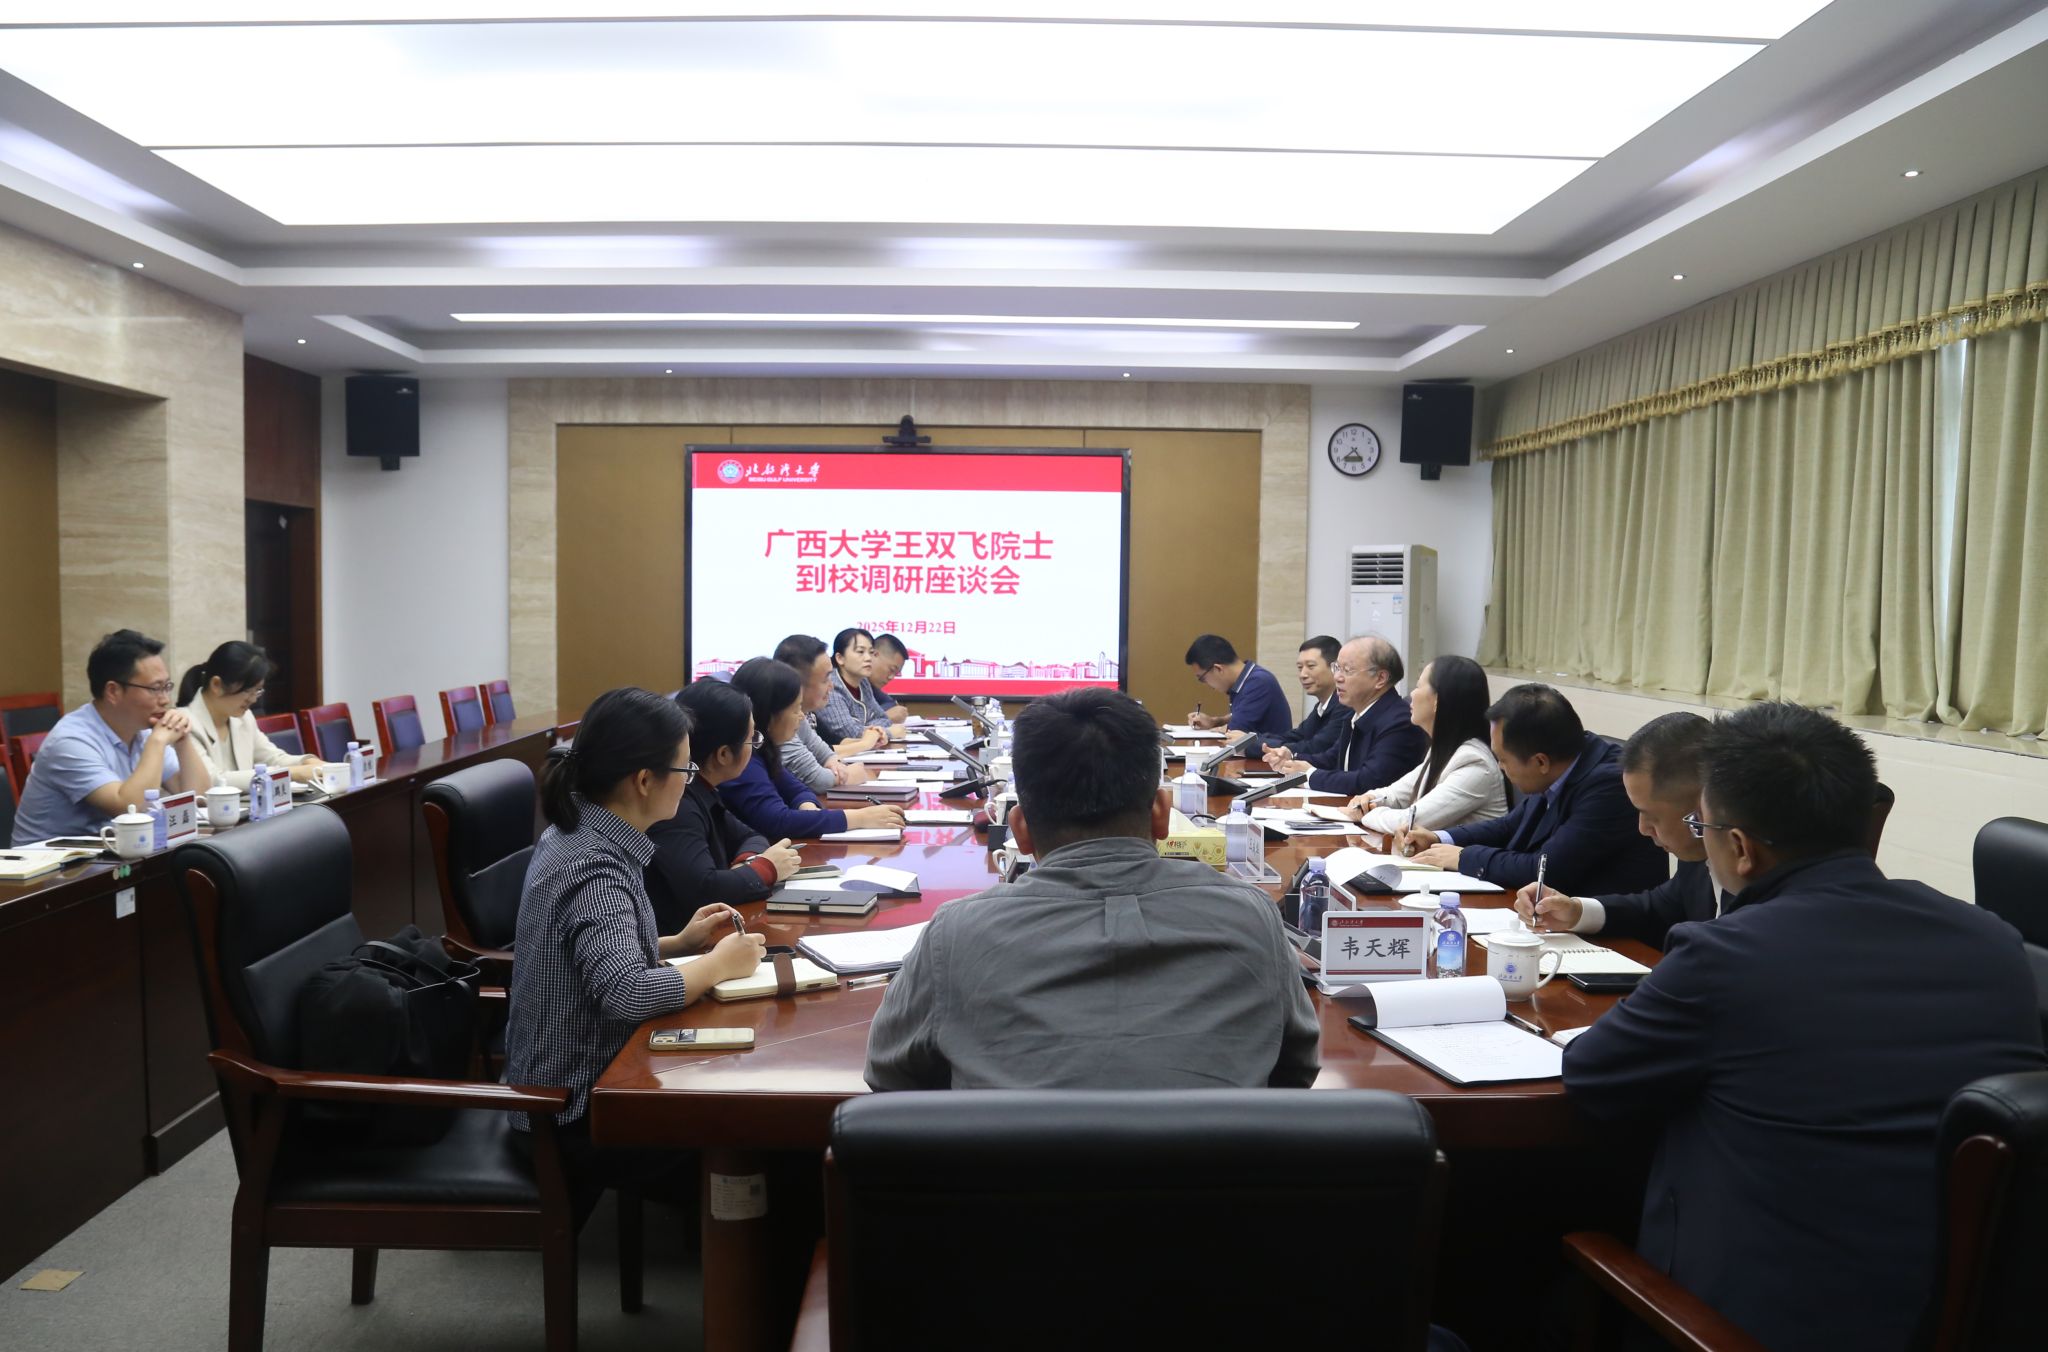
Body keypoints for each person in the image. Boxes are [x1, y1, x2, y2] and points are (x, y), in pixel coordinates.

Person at [1563, 702, 2045, 1351]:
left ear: (1739, 848)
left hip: (1749, 1325)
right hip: (1952, 1313)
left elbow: (1591, 1076)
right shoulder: (1995, 941)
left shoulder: (1723, 955)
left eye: (1702, 826)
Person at [865, 687, 1320, 1091]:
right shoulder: (1250, 917)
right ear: (1162, 813)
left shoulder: (956, 935)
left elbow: (891, 1076)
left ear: (1019, 830)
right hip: (1208, 1163)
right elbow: (1294, 1070)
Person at [503, 687, 766, 1189]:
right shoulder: (594, 865)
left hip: (597, 1079)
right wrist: (718, 965)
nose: (690, 780)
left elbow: (589, 955)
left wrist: (678, 944)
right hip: (576, 1111)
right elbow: (628, 993)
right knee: (755, 1140)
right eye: (685, 769)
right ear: (644, 780)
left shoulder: (584, 831)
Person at [1395, 683, 1666, 895]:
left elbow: (1545, 868)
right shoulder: (1564, 761)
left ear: (1540, 762)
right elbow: (1509, 826)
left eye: (1502, 759)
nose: (1499, 767)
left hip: (1613, 937)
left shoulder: (1609, 786)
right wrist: (1439, 838)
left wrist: (1464, 857)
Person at [1514, 712, 1719, 948]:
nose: (1643, 828)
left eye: (1652, 816)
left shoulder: (1747, 870)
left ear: (1700, 808)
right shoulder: (1695, 854)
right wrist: (1576, 911)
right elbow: (1659, 906)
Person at [12, 628, 210, 845]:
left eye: (167, 687)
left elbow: (198, 799)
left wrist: (182, 741)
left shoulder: (143, 730)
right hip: (52, 861)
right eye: (155, 689)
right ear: (113, 691)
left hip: (114, 851)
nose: (165, 700)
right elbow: (130, 809)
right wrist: (157, 743)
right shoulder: (71, 741)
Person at [645, 680, 803, 930]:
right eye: (752, 739)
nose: (756, 747)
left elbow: (750, 836)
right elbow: (703, 889)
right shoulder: (677, 804)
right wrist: (766, 868)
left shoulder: (703, 789)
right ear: (724, 754)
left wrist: (748, 862)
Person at [719, 657, 906, 839]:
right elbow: (778, 821)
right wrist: (860, 818)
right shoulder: (742, 759)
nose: (801, 717)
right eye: (795, 709)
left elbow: (798, 790)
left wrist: (807, 807)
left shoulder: (762, 748)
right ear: (768, 714)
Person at [1333, 655, 1508, 837]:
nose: (1411, 695)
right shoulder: (1445, 749)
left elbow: (1409, 822)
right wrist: (1369, 799)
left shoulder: (1473, 762)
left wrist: (1366, 814)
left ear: (1437, 700)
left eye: (1418, 687)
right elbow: (1395, 795)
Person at [1272, 635, 1428, 798]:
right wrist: (1291, 758)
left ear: (1380, 678)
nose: (1337, 677)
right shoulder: (1356, 712)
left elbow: (1369, 781)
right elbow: (1333, 759)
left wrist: (1310, 776)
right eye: (1337, 668)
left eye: (1347, 670)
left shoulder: (1399, 722)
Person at [174, 641, 324, 792]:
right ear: (216, 685)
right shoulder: (183, 723)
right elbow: (213, 780)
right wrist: (292, 774)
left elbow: (272, 758)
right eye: (248, 691)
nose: (253, 699)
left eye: (257, 691)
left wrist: (308, 762)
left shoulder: (243, 718)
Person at [773, 633, 879, 780]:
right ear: (796, 683)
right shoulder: (779, 722)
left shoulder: (805, 715)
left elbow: (827, 751)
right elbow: (817, 779)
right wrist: (865, 744)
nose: (831, 686)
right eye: (825, 679)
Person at [1253, 635, 1345, 762]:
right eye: (1300, 668)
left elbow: (1315, 747)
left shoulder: (1344, 705)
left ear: (1335, 668)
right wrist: (1251, 739)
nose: (1303, 675)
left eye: (1311, 666)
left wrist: (1250, 745)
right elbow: (1295, 737)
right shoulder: (1321, 706)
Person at [1184, 633, 1292, 738]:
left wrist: (1222, 729)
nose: (1207, 685)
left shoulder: (1258, 683)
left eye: (1202, 678)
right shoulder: (1246, 680)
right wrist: (1214, 721)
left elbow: (1233, 734)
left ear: (1218, 669)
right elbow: (1240, 716)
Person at [817, 627, 893, 744]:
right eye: (860, 652)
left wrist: (870, 730)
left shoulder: (863, 682)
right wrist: (889, 732)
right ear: (840, 658)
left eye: (871, 652)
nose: (868, 658)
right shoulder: (831, 684)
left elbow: (883, 719)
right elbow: (849, 732)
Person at [868, 632, 912, 724]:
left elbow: (891, 704)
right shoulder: (845, 683)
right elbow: (850, 727)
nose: (891, 677)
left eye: (896, 673)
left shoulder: (869, 686)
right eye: (891, 670)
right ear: (874, 654)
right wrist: (885, 716)